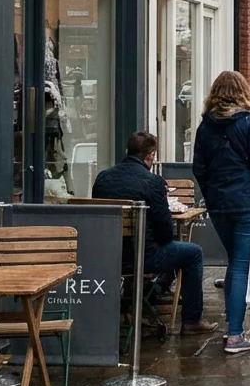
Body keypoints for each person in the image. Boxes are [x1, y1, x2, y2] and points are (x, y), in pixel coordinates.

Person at [92, 131, 219, 336]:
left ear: (127, 151)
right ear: (151, 155)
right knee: (193, 253)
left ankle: (150, 295)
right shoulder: (153, 182)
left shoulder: (103, 178)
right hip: (143, 256)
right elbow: (166, 232)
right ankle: (191, 320)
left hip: (107, 255)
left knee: (167, 249)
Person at [193, 70, 250, 355]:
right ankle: (234, 334)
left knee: (235, 262)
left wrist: (211, 194)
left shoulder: (206, 126)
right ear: (244, 91)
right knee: (241, 264)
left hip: (219, 204)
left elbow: (199, 168)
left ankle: (233, 325)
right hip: (246, 203)